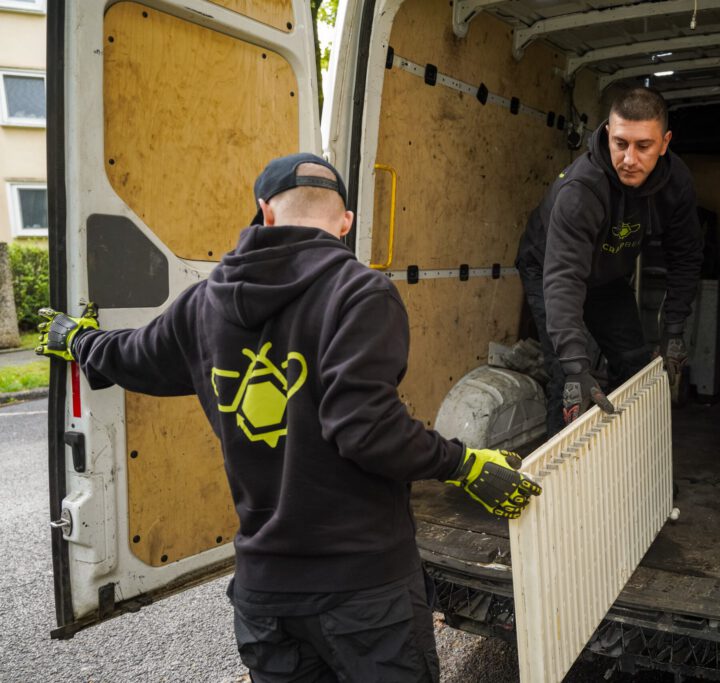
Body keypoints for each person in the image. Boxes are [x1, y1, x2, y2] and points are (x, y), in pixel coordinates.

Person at [36, 153, 542, 683]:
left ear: (265, 213)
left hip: (265, 599)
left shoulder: (202, 305)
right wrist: (464, 464)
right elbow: (367, 429)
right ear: (345, 222)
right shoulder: (360, 293)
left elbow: (132, 356)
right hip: (364, 593)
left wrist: (77, 340)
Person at [516, 87, 703, 435]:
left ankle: (624, 476)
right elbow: (563, 277)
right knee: (568, 378)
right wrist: (574, 363)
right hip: (549, 269)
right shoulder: (582, 189)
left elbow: (686, 254)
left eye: (643, 146)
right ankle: (567, 484)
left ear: (664, 143)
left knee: (633, 363)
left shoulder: (676, 183)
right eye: (620, 143)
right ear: (607, 134)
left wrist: (674, 328)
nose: (629, 159)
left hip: (607, 274)